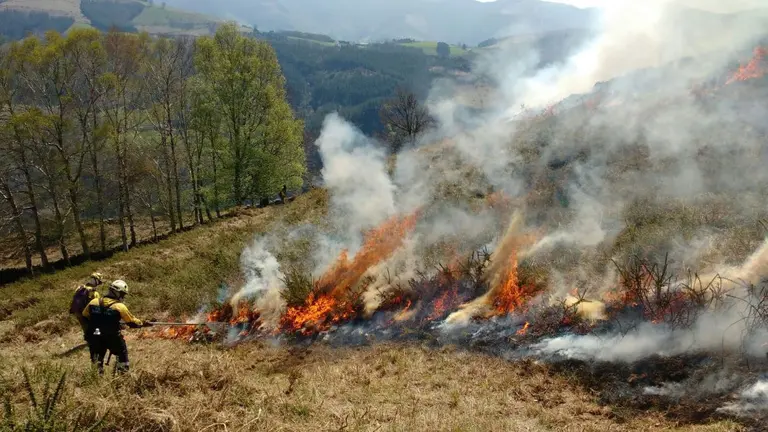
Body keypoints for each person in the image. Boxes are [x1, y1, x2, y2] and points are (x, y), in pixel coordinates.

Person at [82, 280, 152, 374]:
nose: (123, 296)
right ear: (117, 292)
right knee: (122, 354)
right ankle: (122, 375)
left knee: (96, 358)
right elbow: (132, 322)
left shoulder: (93, 302)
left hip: (95, 335)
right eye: (122, 294)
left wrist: (99, 323)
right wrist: (144, 323)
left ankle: (96, 376)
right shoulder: (119, 306)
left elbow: (85, 315)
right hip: (112, 337)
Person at [69, 272, 104, 341]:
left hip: (77, 312)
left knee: (85, 327)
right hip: (86, 312)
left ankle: (89, 340)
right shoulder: (94, 292)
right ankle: (97, 340)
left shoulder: (80, 288)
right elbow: (97, 305)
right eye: (98, 282)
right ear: (96, 280)